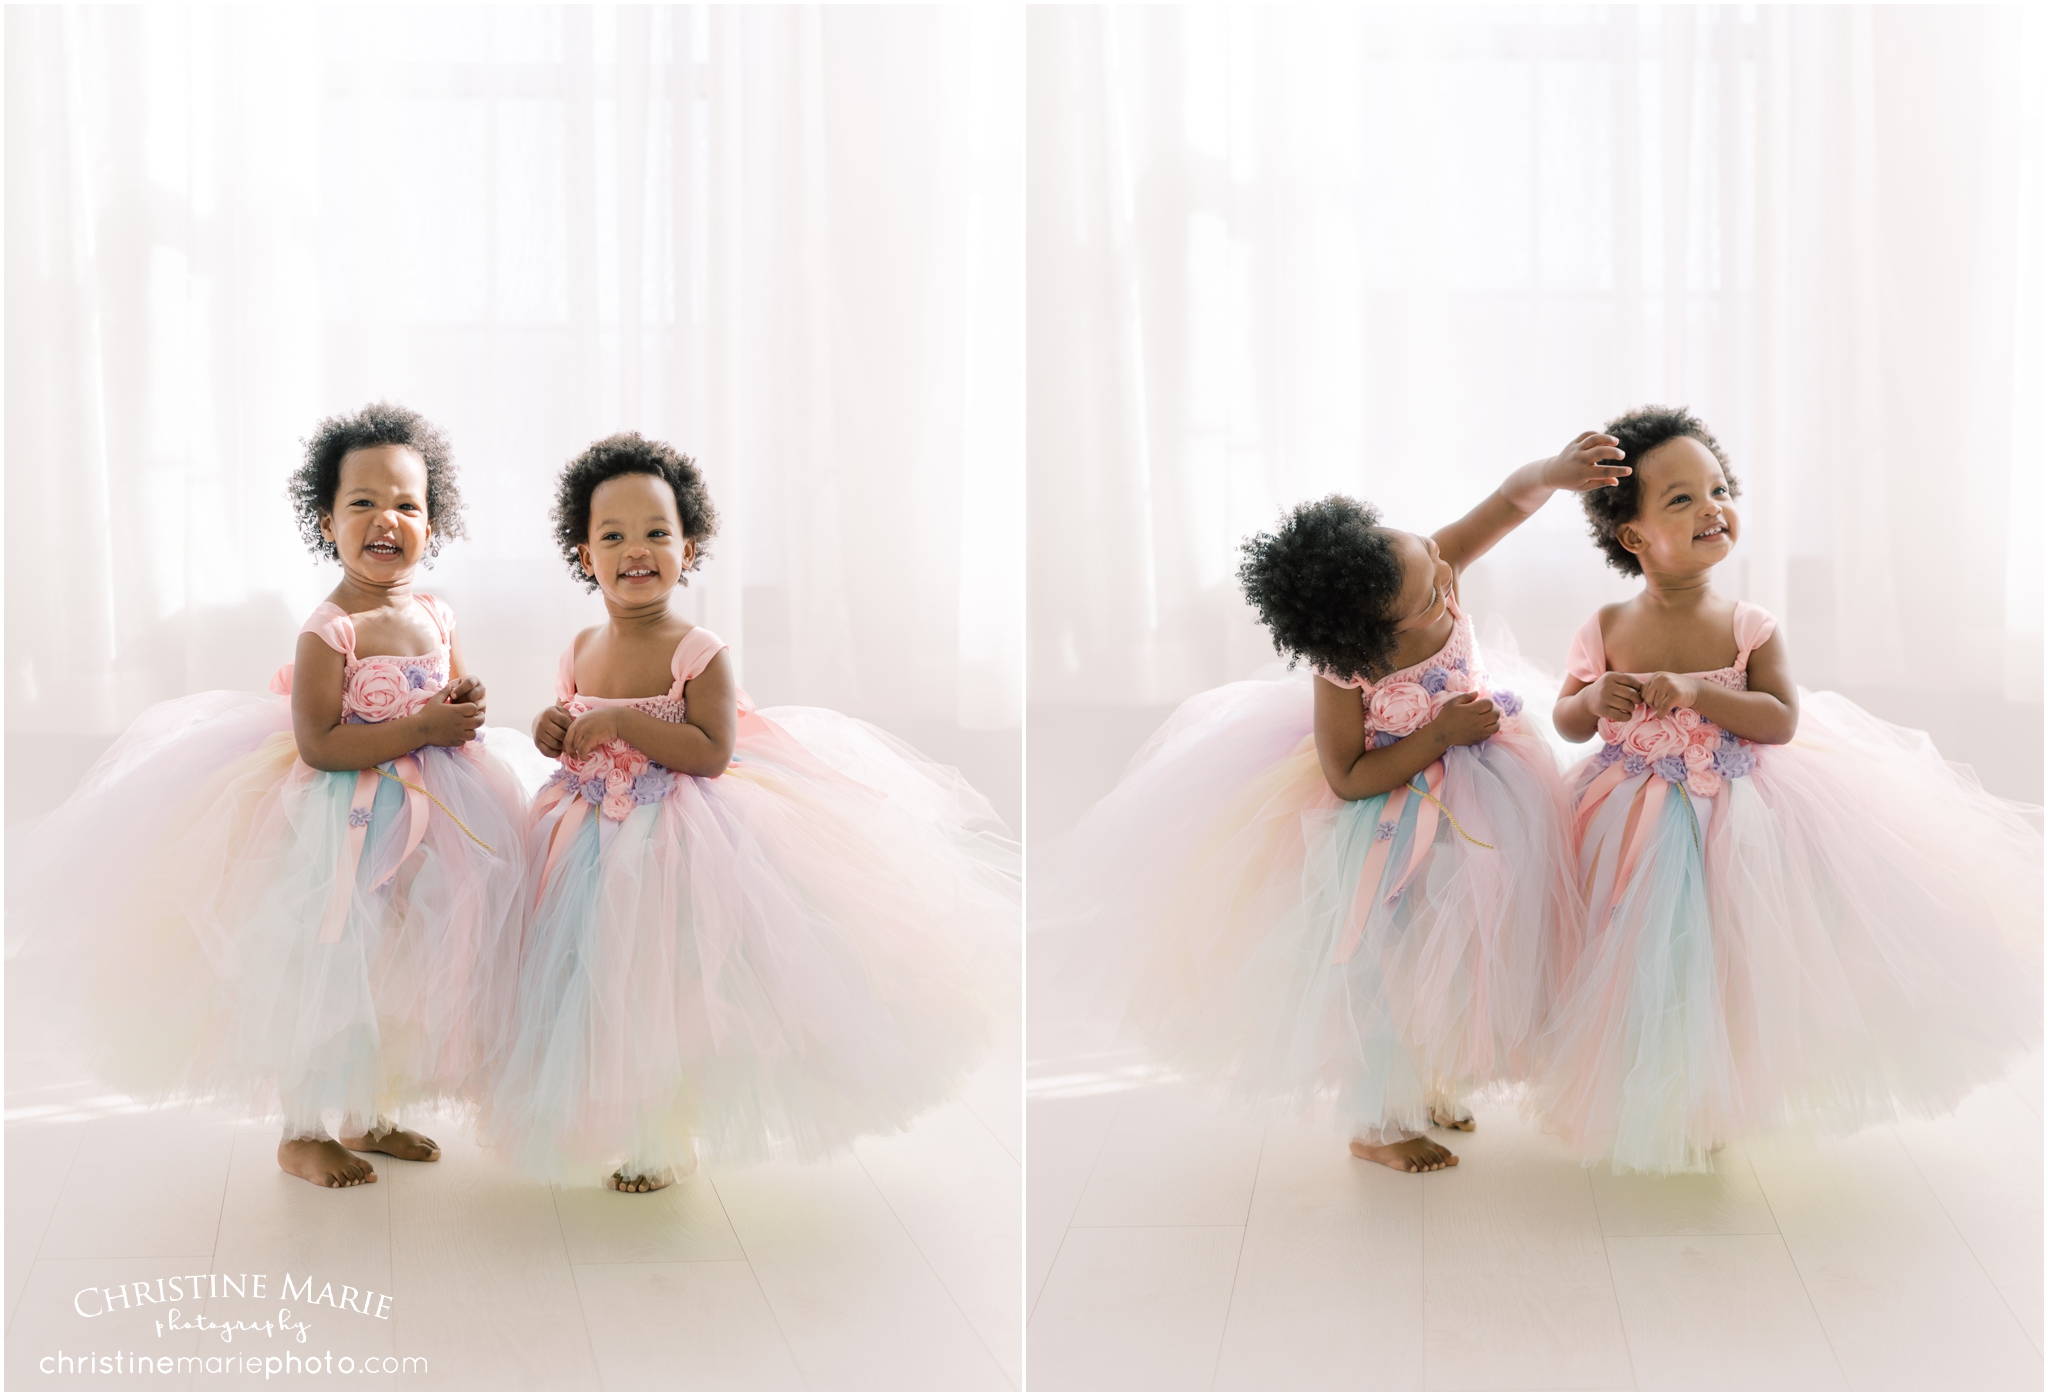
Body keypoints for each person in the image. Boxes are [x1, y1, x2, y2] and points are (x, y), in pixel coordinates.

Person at [1534, 405, 2042, 1173]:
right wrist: (1591, 699)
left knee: (1721, 956)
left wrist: (1700, 696)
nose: (1712, 508)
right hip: (1624, 815)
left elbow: (1779, 719)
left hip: (1733, 817)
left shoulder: (1748, 625)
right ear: (1633, 537)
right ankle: (1638, 1083)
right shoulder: (1605, 626)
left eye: (1719, 488)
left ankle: (1714, 1093)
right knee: (1630, 954)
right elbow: (1568, 719)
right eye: (1682, 499)